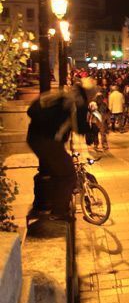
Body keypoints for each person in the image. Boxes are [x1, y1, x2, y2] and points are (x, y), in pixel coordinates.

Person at [26, 78, 96, 219]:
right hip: (49, 141)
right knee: (68, 175)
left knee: (51, 171)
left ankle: (41, 205)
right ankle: (59, 212)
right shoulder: (79, 101)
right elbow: (80, 128)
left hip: (34, 137)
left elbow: (31, 110)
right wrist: (94, 127)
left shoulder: (63, 94)